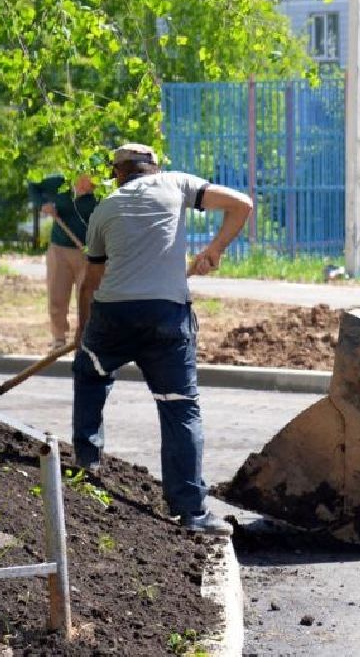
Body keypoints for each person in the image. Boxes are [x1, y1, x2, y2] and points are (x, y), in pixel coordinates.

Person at [75, 143, 253, 535]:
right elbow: (242, 204)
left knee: (90, 376)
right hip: (166, 315)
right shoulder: (177, 184)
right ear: (153, 168)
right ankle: (191, 511)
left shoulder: (105, 208)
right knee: (179, 407)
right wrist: (215, 250)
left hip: (113, 315)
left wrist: (82, 335)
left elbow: (91, 282)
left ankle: (85, 467)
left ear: (118, 173)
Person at [41, 173, 97, 350]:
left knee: (87, 297)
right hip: (59, 250)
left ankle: (86, 337)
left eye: (91, 183)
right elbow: (35, 186)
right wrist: (43, 205)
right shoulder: (59, 184)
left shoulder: (99, 196)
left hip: (89, 254)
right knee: (57, 295)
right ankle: (58, 338)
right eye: (84, 181)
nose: (87, 186)